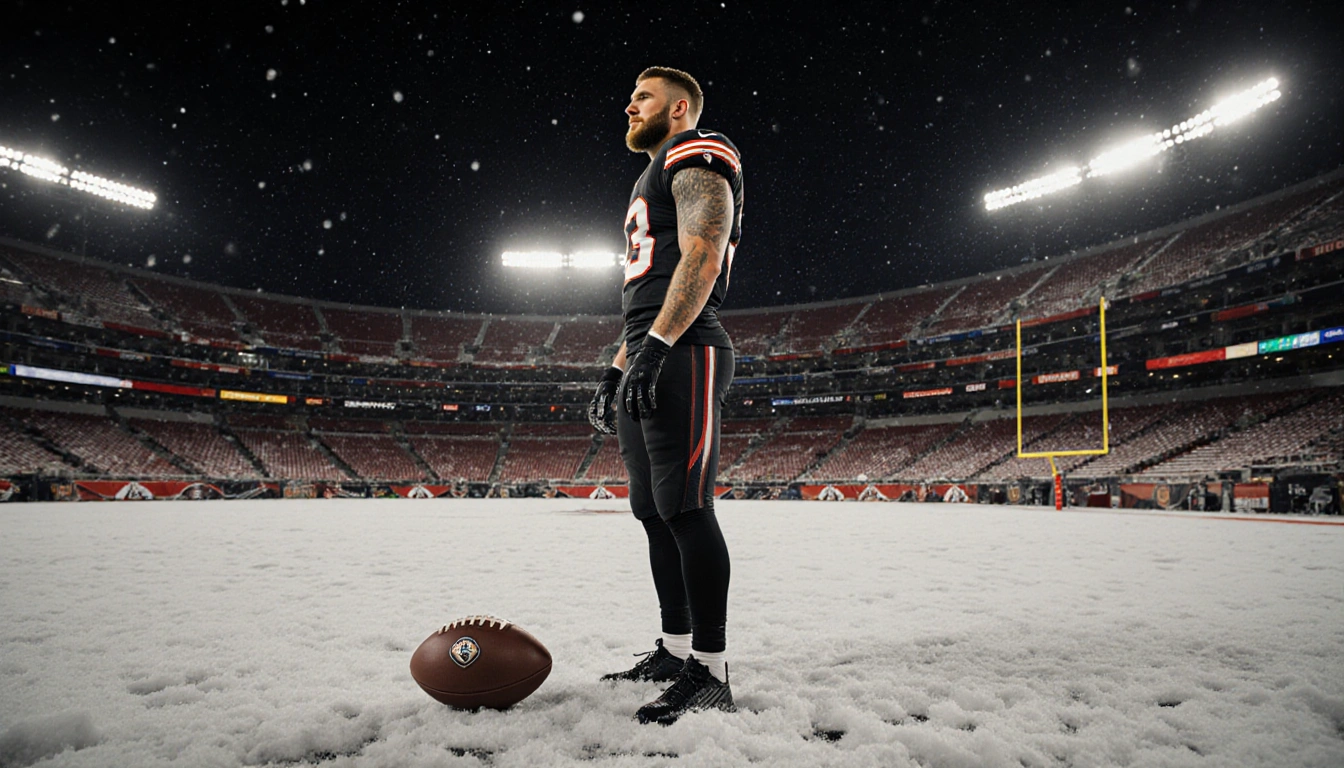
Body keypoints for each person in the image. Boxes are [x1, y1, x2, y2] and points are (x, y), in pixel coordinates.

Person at [587, 66, 743, 726]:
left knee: (685, 507)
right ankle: (676, 652)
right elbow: (645, 297)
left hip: (688, 345)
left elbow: (702, 254)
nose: (629, 104)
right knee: (652, 511)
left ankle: (709, 669)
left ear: (679, 109)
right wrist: (618, 367)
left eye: (643, 96)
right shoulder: (648, 176)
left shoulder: (695, 151)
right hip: (653, 343)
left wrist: (658, 347)